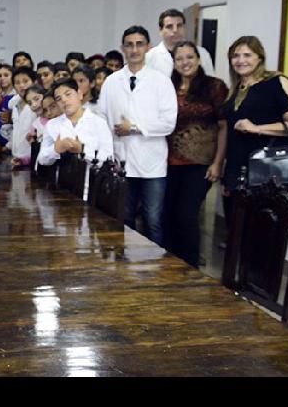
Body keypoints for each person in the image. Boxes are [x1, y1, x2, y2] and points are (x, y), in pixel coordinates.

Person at [97, 25, 177, 246]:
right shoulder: (112, 82)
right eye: (129, 45)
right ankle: (125, 268)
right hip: (121, 160)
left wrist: (134, 128)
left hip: (152, 162)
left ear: (148, 47)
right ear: (123, 48)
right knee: (124, 218)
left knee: (153, 220)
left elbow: (168, 123)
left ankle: (153, 268)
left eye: (139, 44)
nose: (134, 49)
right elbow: (102, 118)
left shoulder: (161, 81)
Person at [220, 35, 288, 226]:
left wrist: (257, 129)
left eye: (247, 55)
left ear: (260, 58)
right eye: (235, 56)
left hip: (265, 174)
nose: (241, 60)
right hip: (236, 172)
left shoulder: (276, 82)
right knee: (236, 232)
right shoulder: (236, 88)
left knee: (260, 235)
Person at [163, 40, 228, 268]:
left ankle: (190, 269)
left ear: (198, 59)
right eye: (179, 58)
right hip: (167, 163)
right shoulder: (167, 86)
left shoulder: (214, 87)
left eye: (189, 57)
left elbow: (223, 126)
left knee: (186, 216)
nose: (185, 62)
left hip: (200, 163)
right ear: (174, 63)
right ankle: (170, 266)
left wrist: (218, 162)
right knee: (168, 215)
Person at [38, 78, 114, 198]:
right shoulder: (52, 125)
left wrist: (83, 151)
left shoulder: (99, 123)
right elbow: (41, 159)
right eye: (59, 99)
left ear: (79, 94)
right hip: (59, 190)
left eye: (68, 94)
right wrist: (56, 150)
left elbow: (108, 159)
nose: (64, 100)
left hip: (92, 190)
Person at [146, 8, 215, 78]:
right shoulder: (150, 57)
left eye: (179, 26)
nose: (175, 30)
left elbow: (211, 83)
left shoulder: (202, 53)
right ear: (161, 30)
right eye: (170, 26)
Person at [8, 67, 37, 164]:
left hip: (32, 159)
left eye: (25, 81)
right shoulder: (15, 105)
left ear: (34, 82)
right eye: (17, 83)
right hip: (16, 158)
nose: (22, 85)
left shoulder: (38, 105)